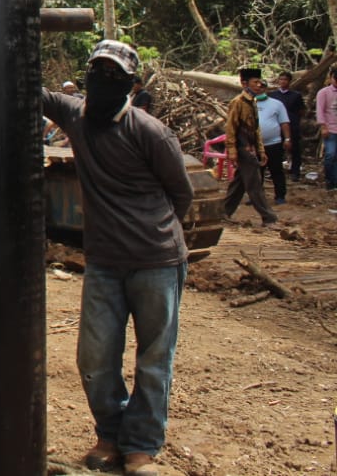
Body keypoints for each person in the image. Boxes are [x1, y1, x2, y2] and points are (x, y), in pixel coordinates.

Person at [41, 40, 192, 476]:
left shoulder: (150, 132)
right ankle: (109, 433)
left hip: (156, 260)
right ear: (85, 76)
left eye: (114, 76)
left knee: (154, 357)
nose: (103, 82)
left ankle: (142, 446)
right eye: (97, 73)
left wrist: (153, 235)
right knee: (95, 356)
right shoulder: (74, 115)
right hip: (105, 262)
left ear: (132, 84)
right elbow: (33, 90)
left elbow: (180, 192)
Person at [224, 67, 278, 227]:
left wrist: (261, 150)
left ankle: (222, 212)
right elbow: (231, 128)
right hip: (243, 148)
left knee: (239, 183)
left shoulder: (253, 102)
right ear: (244, 83)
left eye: (259, 82)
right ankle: (269, 218)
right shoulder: (237, 102)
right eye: (255, 82)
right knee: (254, 184)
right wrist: (232, 151)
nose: (258, 85)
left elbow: (256, 129)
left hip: (251, 147)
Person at [255, 80, 292, 206]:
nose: (259, 89)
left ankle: (280, 196)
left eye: (261, 87)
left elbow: (284, 123)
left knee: (276, 170)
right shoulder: (247, 104)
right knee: (256, 172)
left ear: (265, 89)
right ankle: (256, 197)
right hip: (254, 145)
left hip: (273, 143)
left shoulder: (277, 104)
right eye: (256, 87)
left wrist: (287, 139)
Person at [269, 72, 304, 182]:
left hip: (292, 125)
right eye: (281, 79)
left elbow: (301, 111)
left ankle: (295, 172)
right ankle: (275, 171)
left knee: (295, 149)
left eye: (285, 79)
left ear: (290, 81)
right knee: (276, 150)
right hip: (276, 126)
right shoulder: (273, 95)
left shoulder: (296, 95)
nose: (283, 81)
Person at [318, 68, 337, 192]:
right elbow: (320, 110)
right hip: (330, 129)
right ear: (331, 78)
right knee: (330, 155)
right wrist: (323, 126)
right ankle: (330, 180)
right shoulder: (324, 92)